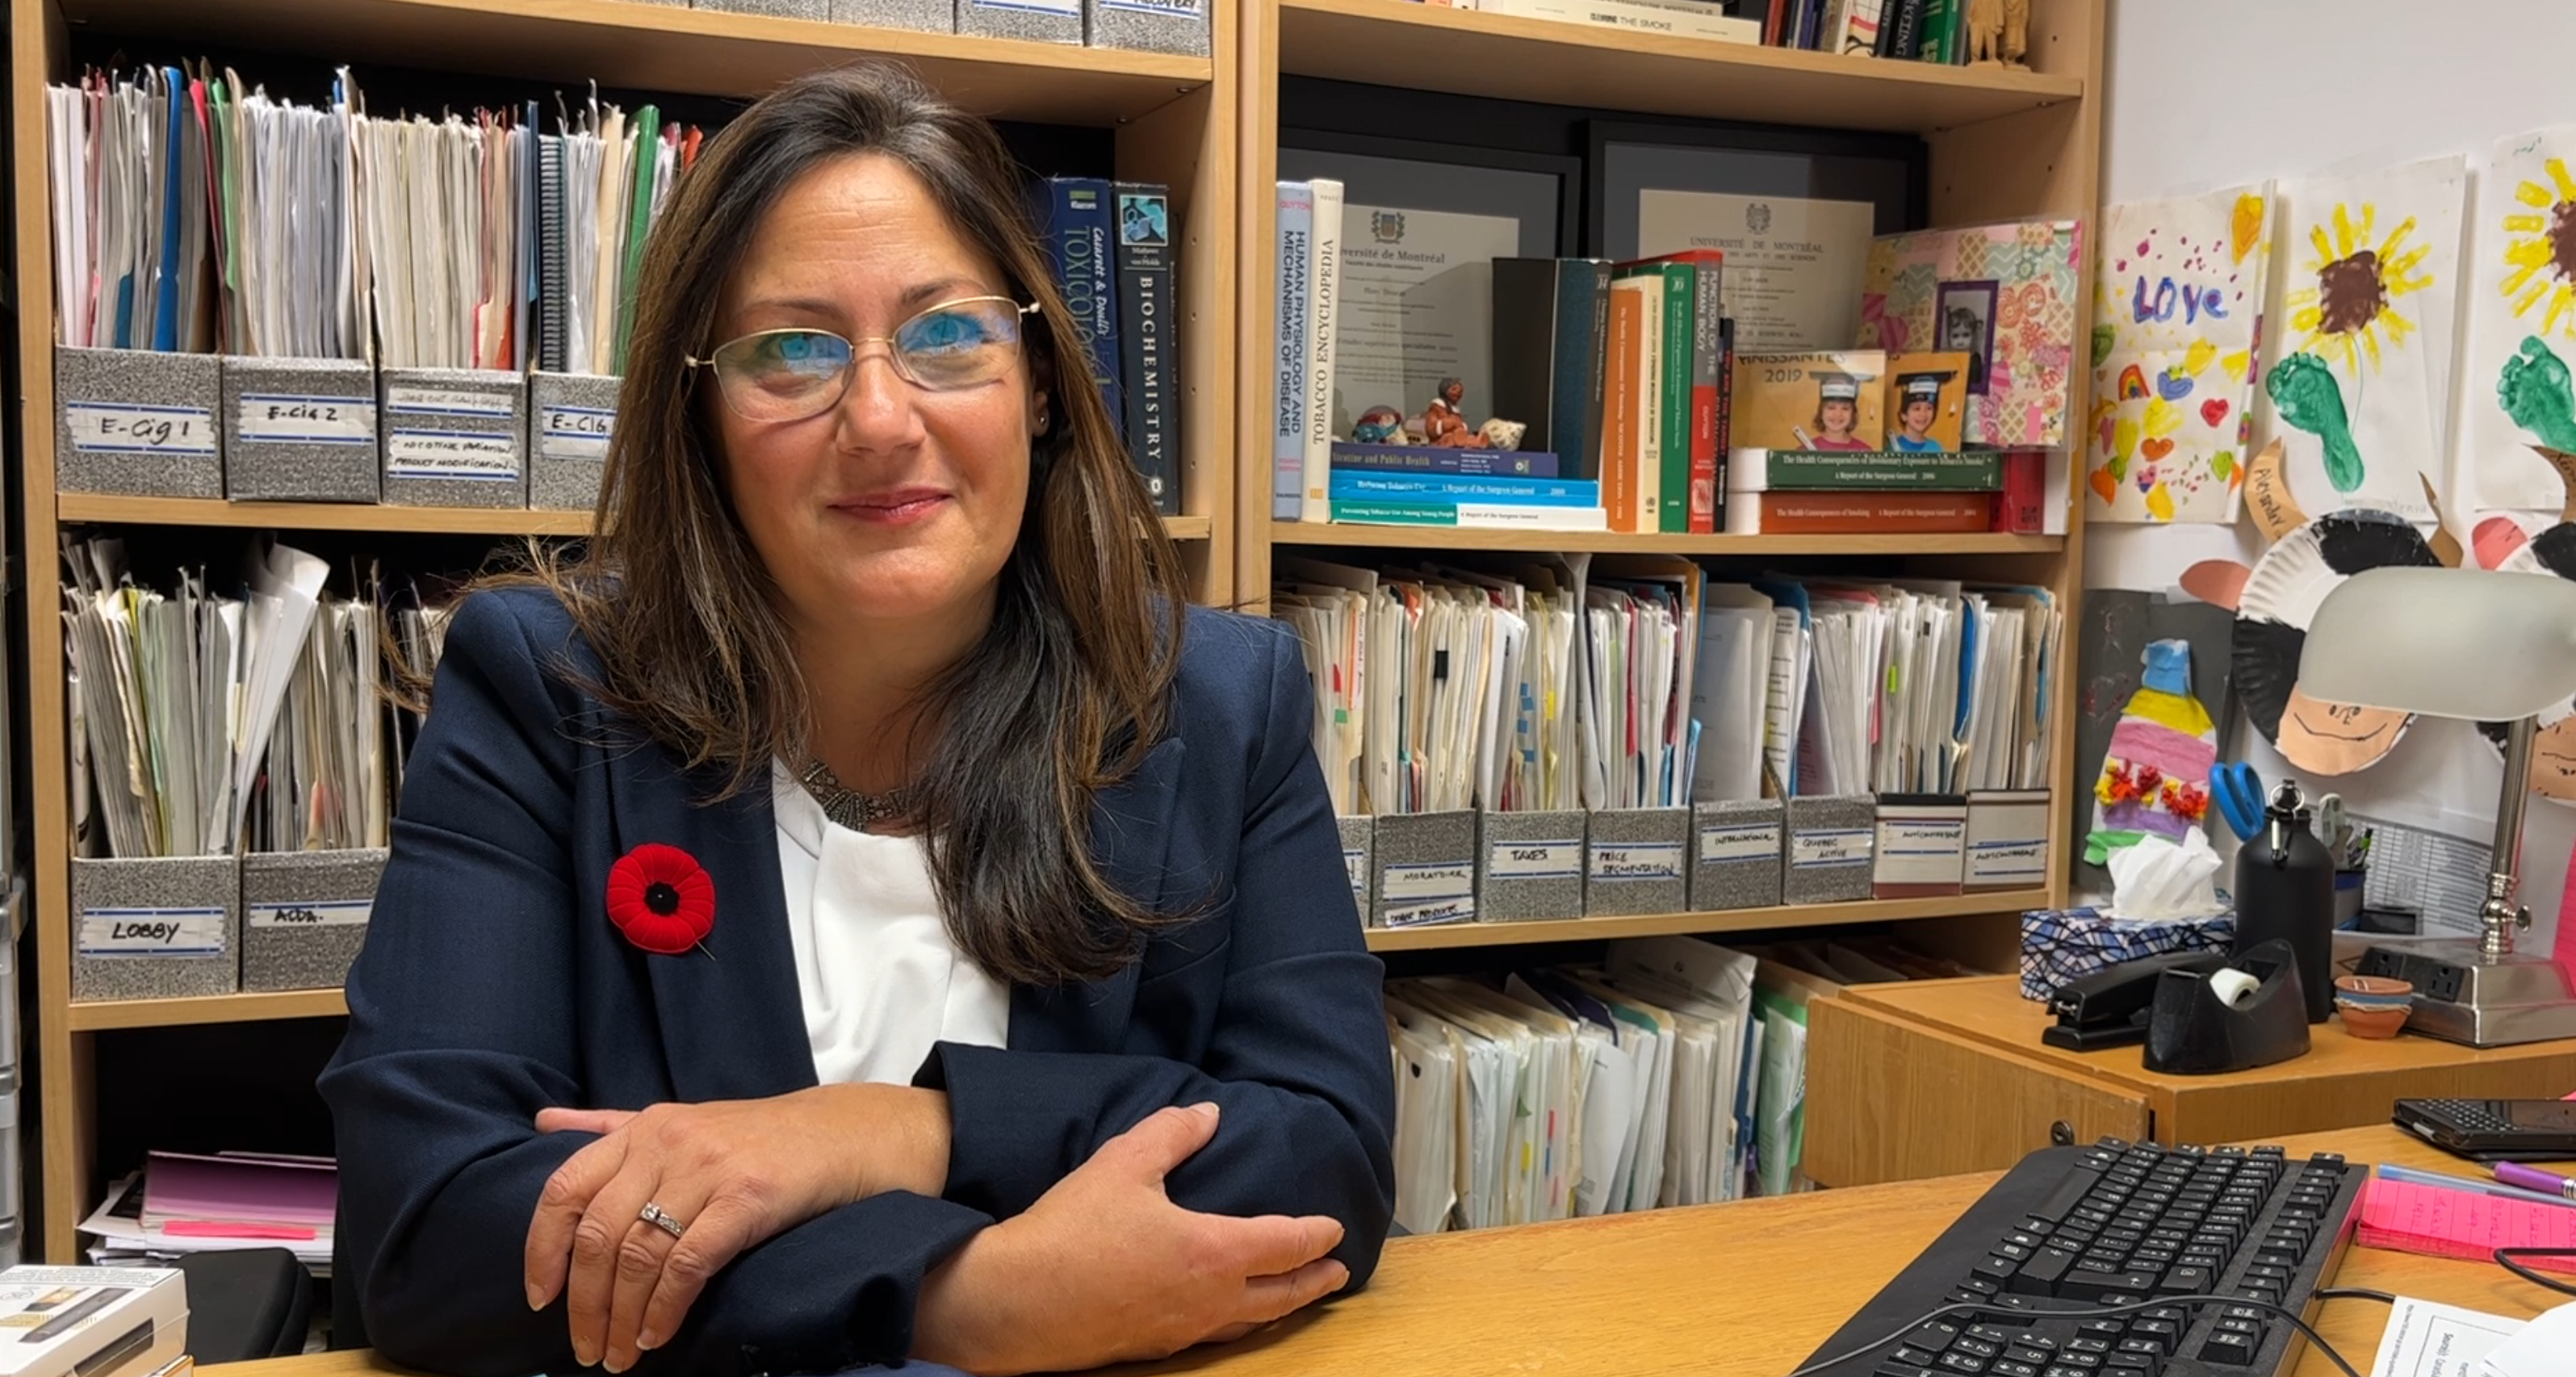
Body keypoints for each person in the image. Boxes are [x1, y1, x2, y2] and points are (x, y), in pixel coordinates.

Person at [320, 62, 1396, 1377]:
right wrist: (963, 1300)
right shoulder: (546, 690)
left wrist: (886, 1133)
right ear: (702, 417)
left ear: (1040, 384)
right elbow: (429, 1230)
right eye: (791, 352)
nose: (881, 420)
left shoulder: (1223, 701)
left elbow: (1322, 1155)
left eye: (947, 336)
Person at [1804, 372, 1874, 450]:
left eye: (1845, 408)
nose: (1838, 414)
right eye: (1831, 408)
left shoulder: (1864, 452)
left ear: (1853, 414)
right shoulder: (1804, 453)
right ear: (1821, 411)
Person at [1891, 373, 1948, 453]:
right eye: (1917, 409)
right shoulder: (1892, 448)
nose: (1923, 414)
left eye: (1929, 408)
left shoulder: (1936, 449)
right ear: (1903, 415)